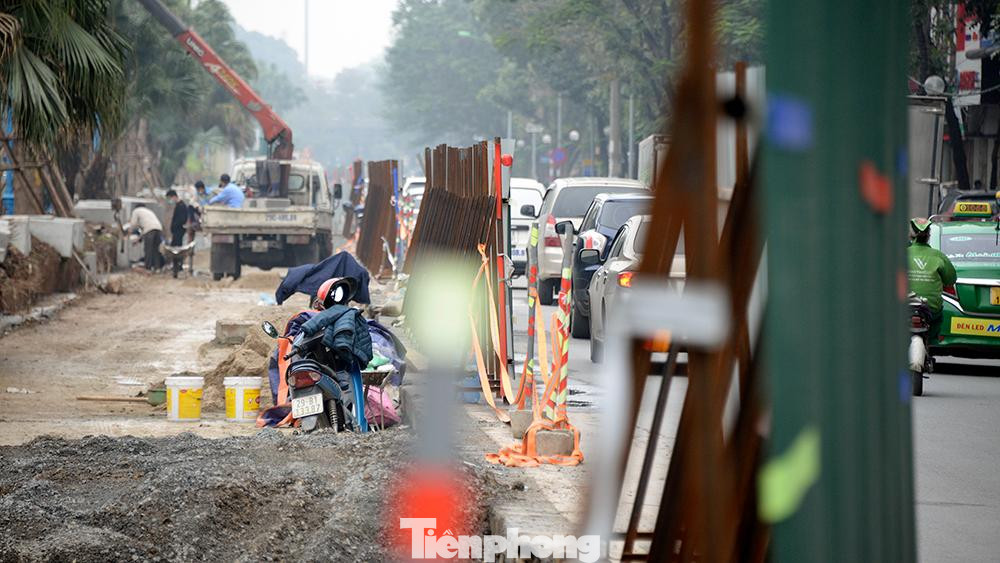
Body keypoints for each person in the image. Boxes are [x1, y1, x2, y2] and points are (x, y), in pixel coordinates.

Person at [908, 217, 957, 338]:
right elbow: (950, 280)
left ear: (911, 236)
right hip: (931, 309)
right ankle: (933, 343)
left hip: (904, 306)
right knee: (938, 319)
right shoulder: (938, 256)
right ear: (928, 236)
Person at [121, 201, 165, 271]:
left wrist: (128, 234)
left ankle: (148, 268)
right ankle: (157, 268)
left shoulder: (136, 211)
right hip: (158, 229)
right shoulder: (149, 211)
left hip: (150, 230)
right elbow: (145, 231)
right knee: (156, 250)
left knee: (148, 249)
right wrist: (138, 239)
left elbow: (133, 224)